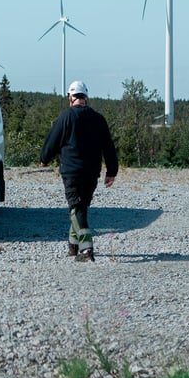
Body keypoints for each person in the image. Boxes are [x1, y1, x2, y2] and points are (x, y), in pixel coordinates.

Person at [40, 80, 118, 262]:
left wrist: (44, 158)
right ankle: (73, 245)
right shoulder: (99, 119)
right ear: (85, 98)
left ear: (70, 97)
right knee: (81, 207)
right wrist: (111, 171)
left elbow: (53, 140)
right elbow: (109, 147)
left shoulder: (66, 117)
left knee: (76, 208)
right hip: (92, 173)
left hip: (72, 171)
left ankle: (86, 248)